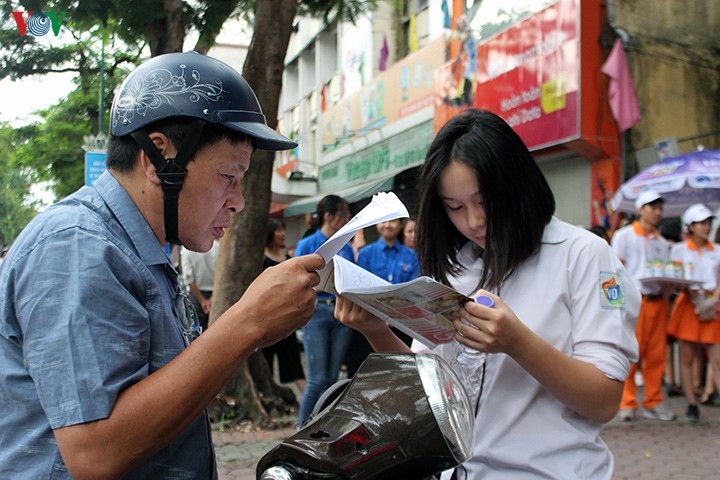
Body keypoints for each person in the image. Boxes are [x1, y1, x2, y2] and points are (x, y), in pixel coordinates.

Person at [0, 51, 325, 479]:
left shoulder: (140, 250)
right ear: (160, 155)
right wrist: (247, 323)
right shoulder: (78, 247)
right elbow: (95, 453)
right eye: (229, 176)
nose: (240, 201)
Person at [334, 109, 640, 478]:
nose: (474, 221)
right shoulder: (457, 266)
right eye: (455, 208)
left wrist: (518, 343)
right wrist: (376, 329)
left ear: (518, 184)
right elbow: (427, 392)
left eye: (485, 201)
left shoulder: (585, 256)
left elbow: (604, 400)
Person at [611, 189, 677, 421]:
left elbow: (666, 272)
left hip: (658, 301)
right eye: (652, 207)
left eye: (659, 208)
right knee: (630, 353)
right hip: (633, 302)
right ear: (640, 209)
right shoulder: (624, 236)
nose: (657, 212)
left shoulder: (661, 242)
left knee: (656, 354)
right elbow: (614, 271)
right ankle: (627, 402)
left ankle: (653, 400)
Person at [295, 194, 354, 428]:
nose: (347, 221)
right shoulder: (308, 243)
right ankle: (301, 428)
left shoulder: (347, 246)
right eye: (344, 216)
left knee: (332, 378)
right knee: (317, 378)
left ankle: (321, 426)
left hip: (340, 312)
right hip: (317, 312)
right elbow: (298, 279)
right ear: (329, 216)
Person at [345, 218, 420, 376]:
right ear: (377, 224)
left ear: (401, 225)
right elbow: (362, 287)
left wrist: (393, 315)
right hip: (371, 320)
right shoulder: (366, 253)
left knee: (400, 373)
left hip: (402, 325)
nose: (387, 225)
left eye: (393, 221)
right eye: (383, 222)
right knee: (368, 373)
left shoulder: (412, 256)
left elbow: (413, 289)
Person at [667, 204, 720, 421]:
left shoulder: (717, 250)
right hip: (689, 304)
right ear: (690, 226)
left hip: (713, 305)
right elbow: (676, 278)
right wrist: (694, 298)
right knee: (686, 357)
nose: (706, 227)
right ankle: (691, 403)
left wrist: (714, 299)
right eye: (701, 223)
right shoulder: (679, 250)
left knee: (716, 358)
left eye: (708, 222)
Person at [261, 218, 307, 393]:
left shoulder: (289, 259)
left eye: (283, 230)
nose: (282, 234)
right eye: (278, 230)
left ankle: (311, 404)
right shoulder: (262, 259)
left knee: (294, 362)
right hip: (267, 321)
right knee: (267, 362)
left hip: (288, 320)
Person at [180, 238, 219, 332]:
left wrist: (202, 301)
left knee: (197, 332)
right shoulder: (217, 247)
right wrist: (213, 298)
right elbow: (221, 272)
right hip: (217, 293)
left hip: (196, 296)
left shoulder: (186, 250)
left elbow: (188, 277)